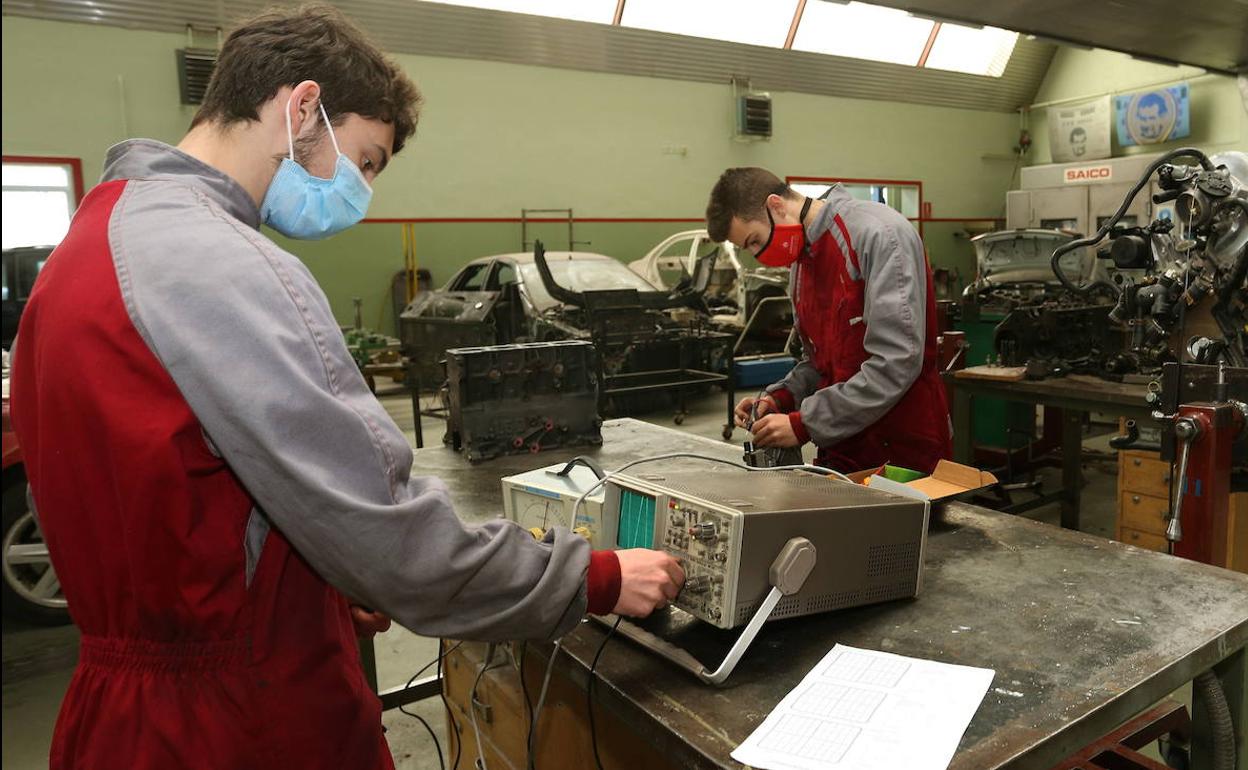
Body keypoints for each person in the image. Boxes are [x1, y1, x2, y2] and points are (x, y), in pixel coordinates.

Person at [9, 7, 682, 769]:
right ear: (301, 108)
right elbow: (387, 534)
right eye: (365, 160)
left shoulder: (84, 251)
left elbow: (139, 503)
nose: (363, 190)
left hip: (118, 715)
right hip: (245, 721)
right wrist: (591, 575)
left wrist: (310, 584)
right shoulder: (225, 264)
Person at [706, 168, 951, 473]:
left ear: (776, 206)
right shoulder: (801, 266)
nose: (758, 255)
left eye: (754, 241)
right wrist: (781, 398)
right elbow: (819, 362)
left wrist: (805, 422)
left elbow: (897, 362)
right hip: (843, 453)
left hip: (902, 453)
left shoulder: (879, 234)